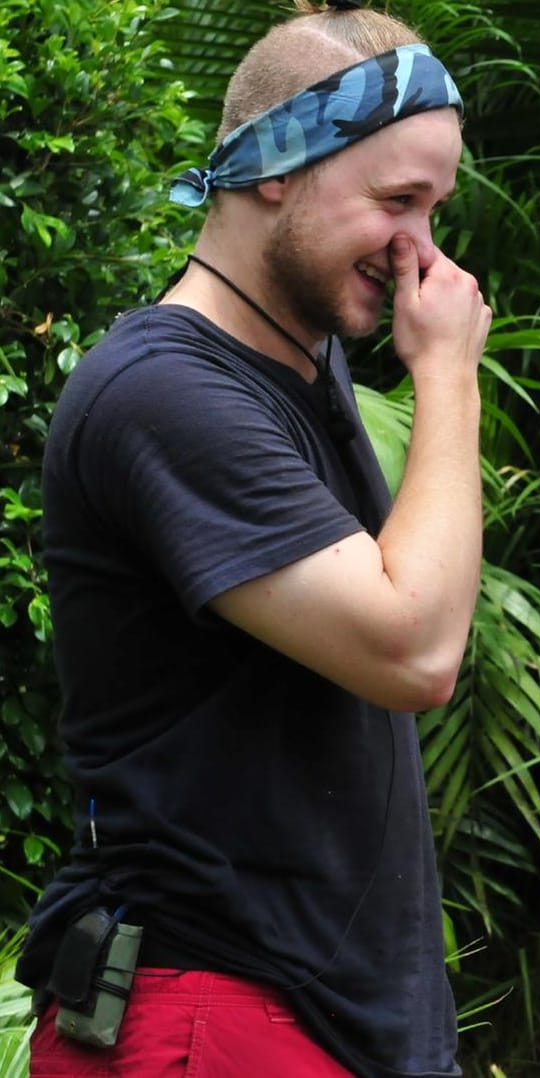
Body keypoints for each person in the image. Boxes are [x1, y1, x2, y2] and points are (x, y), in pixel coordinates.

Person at [15, 1, 490, 1075]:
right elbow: (412, 648)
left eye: (436, 206)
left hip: (321, 1013)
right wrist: (449, 375)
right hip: (208, 1010)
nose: (422, 250)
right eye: (396, 201)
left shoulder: (304, 362)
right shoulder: (162, 393)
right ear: (277, 166)